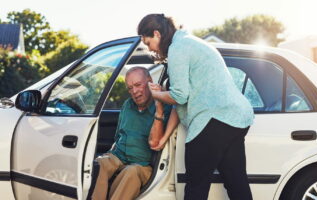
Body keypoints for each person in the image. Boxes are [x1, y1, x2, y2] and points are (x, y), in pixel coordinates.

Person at [137, 14, 255, 200]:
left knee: (196, 188)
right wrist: (165, 137)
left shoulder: (178, 49)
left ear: (157, 34)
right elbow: (181, 102)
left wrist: (155, 94)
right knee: (236, 183)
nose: (150, 49)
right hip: (236, 118)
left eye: (148, 42)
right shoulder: (189, 43)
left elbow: (179, 96)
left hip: (212, 120)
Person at [91, 66, 177, 200]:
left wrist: (158, 107)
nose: (134, 92)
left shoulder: (164, 107)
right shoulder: (128, 105)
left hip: (142, 165)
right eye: (130, 88)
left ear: (150, 81)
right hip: (119, 157)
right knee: (99, 163)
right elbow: (118, 136)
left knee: (130, 173)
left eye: (138, 85)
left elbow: (155, 142)